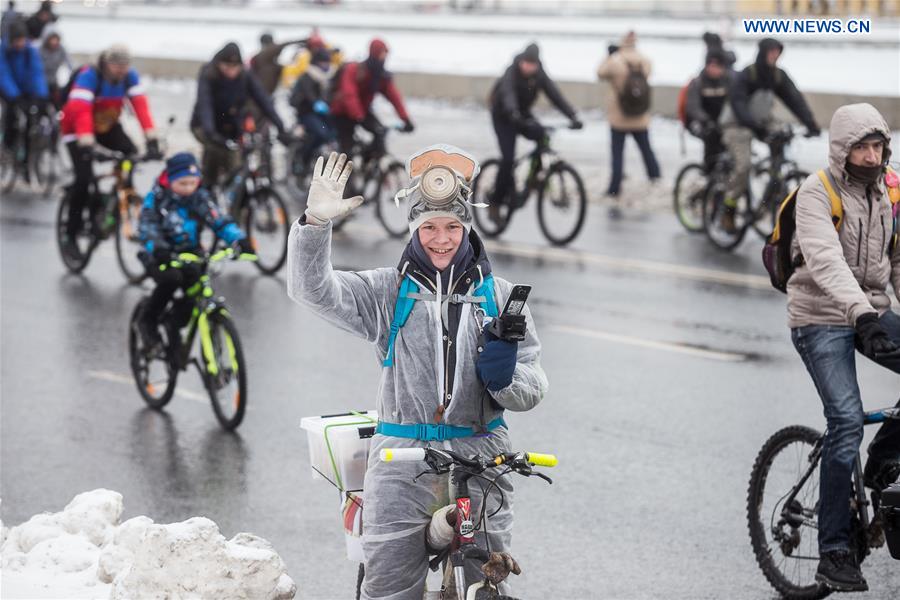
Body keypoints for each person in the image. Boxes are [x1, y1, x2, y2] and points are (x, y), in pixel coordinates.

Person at [287, 148, 547, 599]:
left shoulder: (501, 298)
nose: (441, 239)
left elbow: (533, 382)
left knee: (489, 583)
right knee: (389, 590)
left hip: (481, 454)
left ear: (467, 227)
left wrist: (506, 380)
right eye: (428, 227)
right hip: (401, 463)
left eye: (452, 227)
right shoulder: (387, 291)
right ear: (413, 228)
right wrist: (314, 224)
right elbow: (312, 290)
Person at [788, 103, 900, 593]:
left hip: (869, 311)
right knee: (846, 421)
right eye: (862, 147)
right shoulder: (817, 193)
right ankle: (834, 552)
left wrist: (878, 314)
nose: (872, 157)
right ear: (842, 149)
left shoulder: (890, 193)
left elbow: (898, 263)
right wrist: (864, 317)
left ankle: (880, 465)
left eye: (878, 147)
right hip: (819, 316)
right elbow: (826, 262)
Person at [137, 152, 253, 348]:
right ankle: (147, 321)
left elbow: (219, 220)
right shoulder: (157, 198)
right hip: (161, 254)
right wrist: (158, 248)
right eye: (183, 184)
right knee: (171, 279)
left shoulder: (199, 197)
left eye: (193, 183)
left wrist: (240, 239)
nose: (189, 188)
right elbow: (148, 227)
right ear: (170, 180)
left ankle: (175, 322)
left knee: (196, 287)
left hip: (191, 253)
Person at [59, 44, 159, 258]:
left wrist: (151, 138)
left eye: (125, 66)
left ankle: (120, 196)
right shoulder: (89, 76)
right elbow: (81, 110)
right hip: (77, 130)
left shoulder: (129, 76)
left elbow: (141, 106)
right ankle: (70, 235)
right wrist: (87, 143)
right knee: (84, 180)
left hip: (106, 126)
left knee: (130, 154)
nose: (121, 71)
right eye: (117, 66)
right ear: (106, 63)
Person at [720, 38, 820, 230]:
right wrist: (754, 126)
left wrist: (811, 123)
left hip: (761, 121)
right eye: (771, 52)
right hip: (736, 124)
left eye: (778, 52)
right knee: (743, 165)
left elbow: (794, 99)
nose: (775, 56)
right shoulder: (747, 74)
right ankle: (728, 209)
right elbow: (738, 103)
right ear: (762, 52)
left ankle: (773, 186)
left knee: (781, 138)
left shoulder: (777, 76)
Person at [488, 42, 582, 220]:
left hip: (522, 115)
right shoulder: (511, 72)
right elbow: (508, 94)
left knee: (543, 136)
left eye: (533, 64)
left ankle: (535, 178)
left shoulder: (539, 75)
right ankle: (495, 202)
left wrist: (572, 116)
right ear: (521, 61)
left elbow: (555, 95)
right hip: (504, 117)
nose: (529, 67)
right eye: (526, 63)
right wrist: (513, 112)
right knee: (508, 160)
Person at [190, 42, 291, 185]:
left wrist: (280, 126)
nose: (231, 72)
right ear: (219, 64)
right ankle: (208, 187)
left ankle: (237, 199)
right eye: (227, 67)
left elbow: (263, 100)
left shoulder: (245, 75)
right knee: (216, 152)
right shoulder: (208, 75)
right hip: (204, 125)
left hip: (231, 126)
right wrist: (210, 132)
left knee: (237, 164)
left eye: (235, 67)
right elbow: (205, 105)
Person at [596, 31, 660, 213]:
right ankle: (655, 178)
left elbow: (600, 73)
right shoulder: (644, 61)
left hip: (619, 118)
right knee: (647, 150)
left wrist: (608, 55)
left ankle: (614, 188)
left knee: (617, 154)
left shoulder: (615, 62)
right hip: (640, 117)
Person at [329, 38, 414, 159]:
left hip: (362, 111)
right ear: (375, 53)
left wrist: (406, 119)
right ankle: (348, 176)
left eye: (385, 54)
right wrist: (358, 115)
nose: (384, 58)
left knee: (380, 133)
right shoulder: (354, 70)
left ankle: (369, 164)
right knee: (347, 151)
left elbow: (394, 97)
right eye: (382, 54)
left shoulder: (380, 75)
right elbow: (349, 95)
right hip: (342, 113)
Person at [0, 19, 48, 161]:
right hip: (8, 89)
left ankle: (27, 158)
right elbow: (3, 74)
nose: (20, 44)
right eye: (17, 41)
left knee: (30, 118)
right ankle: (8, 146)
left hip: (25, 90)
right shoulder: (4, 50)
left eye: (22, 40)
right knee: (11, 114)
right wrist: (14, 96)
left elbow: (37, 73)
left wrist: (41, 96)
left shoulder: (30, 51)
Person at [288, 47, 336, 175]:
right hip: (305, 113)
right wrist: (316, 103)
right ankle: (304, 159)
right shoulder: (307, 76)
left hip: (320, 113)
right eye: (323, 62)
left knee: (333, 133)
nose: (326, 65)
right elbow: (309, 95)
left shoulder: (324, 78)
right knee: (321, 134)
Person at [684, 49, 732, 170]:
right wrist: (705, 120)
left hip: (721, 122)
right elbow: (692, 107)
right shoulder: (698, 82)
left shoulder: (727, 82)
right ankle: (708, 172)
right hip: (699, 122)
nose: (715, 69)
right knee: (711, 137)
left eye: (718, 66)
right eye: (712, 65)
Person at [249, 32, 309, 97]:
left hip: (265, 95)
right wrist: (301, 41)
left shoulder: (269, 63)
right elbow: (280, 46)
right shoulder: (263, 56)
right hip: (262, 95)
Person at [38, 26, 71, 109]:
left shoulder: (61, 49)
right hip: (41, 80)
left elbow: (68, 63)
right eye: (52, 39)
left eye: (56, 39)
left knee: (58, 100)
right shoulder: (39, 50)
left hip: (54, 81)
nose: (54, 42)